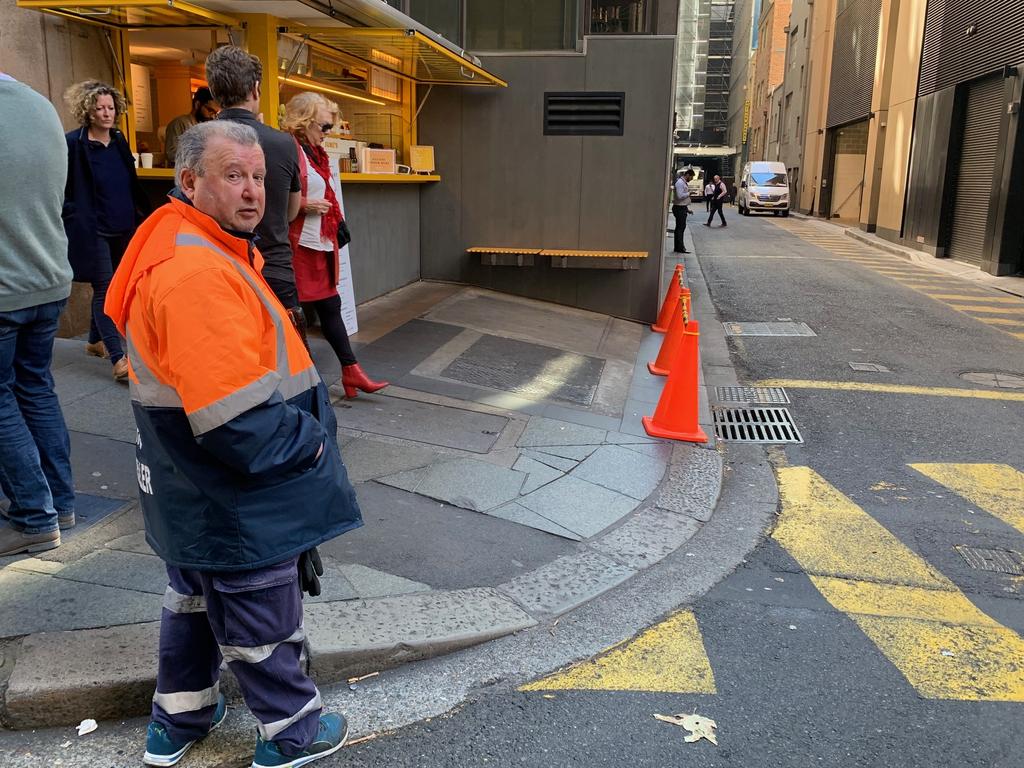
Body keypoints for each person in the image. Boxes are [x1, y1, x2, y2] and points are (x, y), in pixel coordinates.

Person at [104, 120, 361, 768]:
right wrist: (311, 446)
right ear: (190, 181)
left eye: (258, 178)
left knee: (193, 595)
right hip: (237, 490)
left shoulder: (186, 242)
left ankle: (181, 716)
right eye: (232, 176)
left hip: (189, 484)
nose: (252, 192)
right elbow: (237, 424)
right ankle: (294, 733)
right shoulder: (195, 268)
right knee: (260, 606)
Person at [0, 73, 76, 556]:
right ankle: (61, 501)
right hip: (48, 276)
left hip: (5, 286)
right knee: (35, 386)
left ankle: (34, 515)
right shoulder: (37, 103)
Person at [282, 93, 388, 398]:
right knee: (295, 314)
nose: (329, 131)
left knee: (330, 305)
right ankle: (305, 382)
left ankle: (351, 371)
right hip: (299, 245)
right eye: (325, 125)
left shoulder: (316, 152)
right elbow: (273, 196)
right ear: (305, 120)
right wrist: (305, 205)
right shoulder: (289, 149)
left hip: (321, 243)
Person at [204, 45, 308, 342]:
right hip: (273, 265)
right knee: (289, 360)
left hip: (216, 269)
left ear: (213, 91)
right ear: (256, 89)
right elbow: (290, 211)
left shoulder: (197, 142)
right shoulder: (282, 143)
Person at [63, 80, 150, 382]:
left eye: (110, 107)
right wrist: (71, 214)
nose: (106, 113)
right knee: (105, 288)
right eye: (99, 108)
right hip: (93, 227)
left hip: (123, 224)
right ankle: (118, 357)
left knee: (117, 285)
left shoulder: (119, 139)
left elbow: (129, 179)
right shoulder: (74, 143)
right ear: (88, 111)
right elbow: (65, 185)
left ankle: (93, 340)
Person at [163, 86, 218, 166]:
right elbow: (171, 154)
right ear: (197, 104)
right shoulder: (180, 123)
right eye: (210, 110)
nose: (213, 116)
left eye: (215, 113)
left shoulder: (208, 127)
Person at [672, 169, 694, 255]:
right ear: (687, 175)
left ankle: (679, 247)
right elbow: (680, 196)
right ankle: (679, 248)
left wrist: (687, 209)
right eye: (691, 177)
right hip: (679, 209)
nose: (691, 179)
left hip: (682, 208)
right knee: (680, 228)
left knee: (680, 228)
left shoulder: (682, 183)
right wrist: (689, 193)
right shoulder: (680, 183)